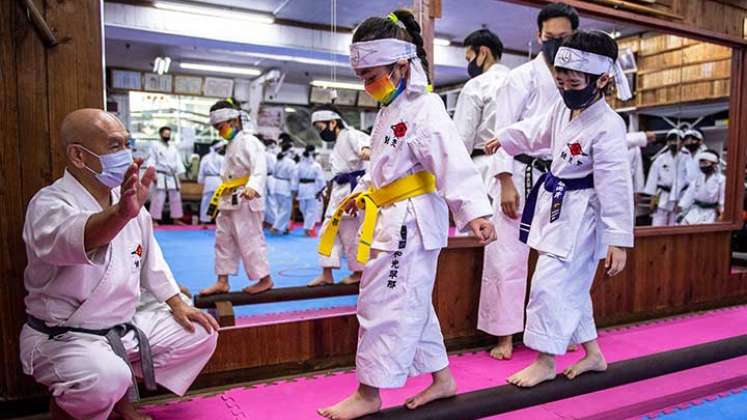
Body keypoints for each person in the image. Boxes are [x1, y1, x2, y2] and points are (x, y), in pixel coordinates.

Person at [317, 10, 495, 419]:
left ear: (401, 65)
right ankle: (443, 379)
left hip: (409, 224)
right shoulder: (389, 112)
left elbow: (451, 160)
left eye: (371, 76)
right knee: (411, 302)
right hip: (391, 218)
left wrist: (474, 212)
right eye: (361, 77)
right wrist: (360, 194)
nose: (366, 86)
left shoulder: (425, 107)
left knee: (382, 305)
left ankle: (369, 392)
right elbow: (381, 170)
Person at [19, 109, 218, 420]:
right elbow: (81, 239)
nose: (126, 154)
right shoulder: (49, 204)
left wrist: (176, 302)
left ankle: (118, 390)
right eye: (114, 146)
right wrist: (121, 214)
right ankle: (70, 404)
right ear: (78, 156)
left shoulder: (127, 201)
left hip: (122, 328)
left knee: (200, 331)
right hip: (66, 336)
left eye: (128, 144)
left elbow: (149, 259)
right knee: (104, 378)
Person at [489, 31, 634, 388]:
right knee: (570, 286)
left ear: (601, 80)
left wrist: (619, 239)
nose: (566, 88)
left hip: (583, 216)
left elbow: (616, 185)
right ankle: (594, 354)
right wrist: (507, 137)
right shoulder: (563, 108)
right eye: (560, 81)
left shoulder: (608, 125)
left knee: (548, 285)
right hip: (558, 206)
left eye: (574, 81)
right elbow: (536, 130)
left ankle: (545, 360)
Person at [480, 3, 579, 361]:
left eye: (564, 38)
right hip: (519, 176)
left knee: (556, 259)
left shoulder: (576, 82)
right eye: (550, 37)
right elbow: (502, 130)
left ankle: (556, 330)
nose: (556, 43)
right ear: (539, 36)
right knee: (507, 256)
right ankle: (505, 335)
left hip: (559, 177)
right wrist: (504, 180)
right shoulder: (519, 78)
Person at [199, 98, 274, 296]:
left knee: (250, 239)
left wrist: (253, 186)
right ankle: (222, 280)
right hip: (229, 197)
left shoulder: (249, 140)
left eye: (220, 126)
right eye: (216, 128)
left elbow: (260, 167)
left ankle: (265, 279)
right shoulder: (233, 143)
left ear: (233, 121)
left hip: (246, 197)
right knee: (223, 239)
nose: (219, 131)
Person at [307, 104, 371, 287]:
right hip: (339, 190)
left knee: (350, 234)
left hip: (353, 191)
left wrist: (367, 152)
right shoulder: (338, 142)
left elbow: (365, 149)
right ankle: (326, 273)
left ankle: (359, 272)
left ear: (333, 123)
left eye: (321, 127)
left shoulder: (351, 134)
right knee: (328, 230)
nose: (321, 132)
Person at [452, 29, 509, 184]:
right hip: (516, 167)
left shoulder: (477, 85)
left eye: (469, 58)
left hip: (484, 168)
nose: (469, 64)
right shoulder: (518, 81)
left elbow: (462, 139)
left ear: (483, 52)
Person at [644, 129, 685, 226]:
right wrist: (652, 199)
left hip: (680, 197)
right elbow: (653, 180)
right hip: (662, 196)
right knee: (657, 225)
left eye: (676, 140)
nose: (673, 143)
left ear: (682, 142)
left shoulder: (687, 159)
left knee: (676, 226)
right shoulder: (661, 159)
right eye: (671, 140)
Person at [148, 126, 186, 225]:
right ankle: (154, 219)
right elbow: (151, 160)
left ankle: (176, 219)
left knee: (176, 197)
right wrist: (153, 175)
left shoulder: (172, 147)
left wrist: (181, 174)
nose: (167, 136)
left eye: (169, 134)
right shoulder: (155, 145)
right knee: (158, 197)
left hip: (172, 175)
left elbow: (178, 161)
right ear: (160, 134)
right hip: (161, 174)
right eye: (165, 134)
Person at [678, 150, 725, 224]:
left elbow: (723, 199)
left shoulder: (721, 180)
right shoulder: (698, 178)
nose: (702, 166)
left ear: (713, 164)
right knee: (683, 224)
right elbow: (689, 194)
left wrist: (722, 214)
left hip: (710, 212)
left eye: (705, 163)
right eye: (701, 163)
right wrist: (682, 207)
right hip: (695, 210)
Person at [293, 144, 326, 236]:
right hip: (307, 188)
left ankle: (307, 229)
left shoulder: (308, 165)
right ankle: (307, 227)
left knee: (308, 209)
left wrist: (295, 190)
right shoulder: (306, 165)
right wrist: (321, 189)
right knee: (306, 209)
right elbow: (320, 179)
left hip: (308, 188)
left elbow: (295, 178)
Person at [197, 140, 226, 224]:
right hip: (218, 180)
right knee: (220, 201)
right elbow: (225, 171)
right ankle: (221, 221)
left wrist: (201, 181)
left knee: (207, 201)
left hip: (209, 180)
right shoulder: (222, 158)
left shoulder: (205, 157)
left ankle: (204, 221)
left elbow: (201, 171)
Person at [271, 143, 297, 234]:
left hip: (276, 185)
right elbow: (293, 177)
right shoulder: (290, 162)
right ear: (288, 151)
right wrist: (294, 190)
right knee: (286, 209)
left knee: (279, 208)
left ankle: (284, 228)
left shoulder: (278, 160)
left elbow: (273, 173)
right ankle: (276, 227)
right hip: (285, 186)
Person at [264, 139, 279, 228]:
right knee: (272, 201)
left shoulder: (263, 154)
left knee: (267, 201)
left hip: (266, 178)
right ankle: (273, 222)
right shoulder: (271, 156)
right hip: (270, 178)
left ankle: (269, 221)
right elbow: (275, 168)